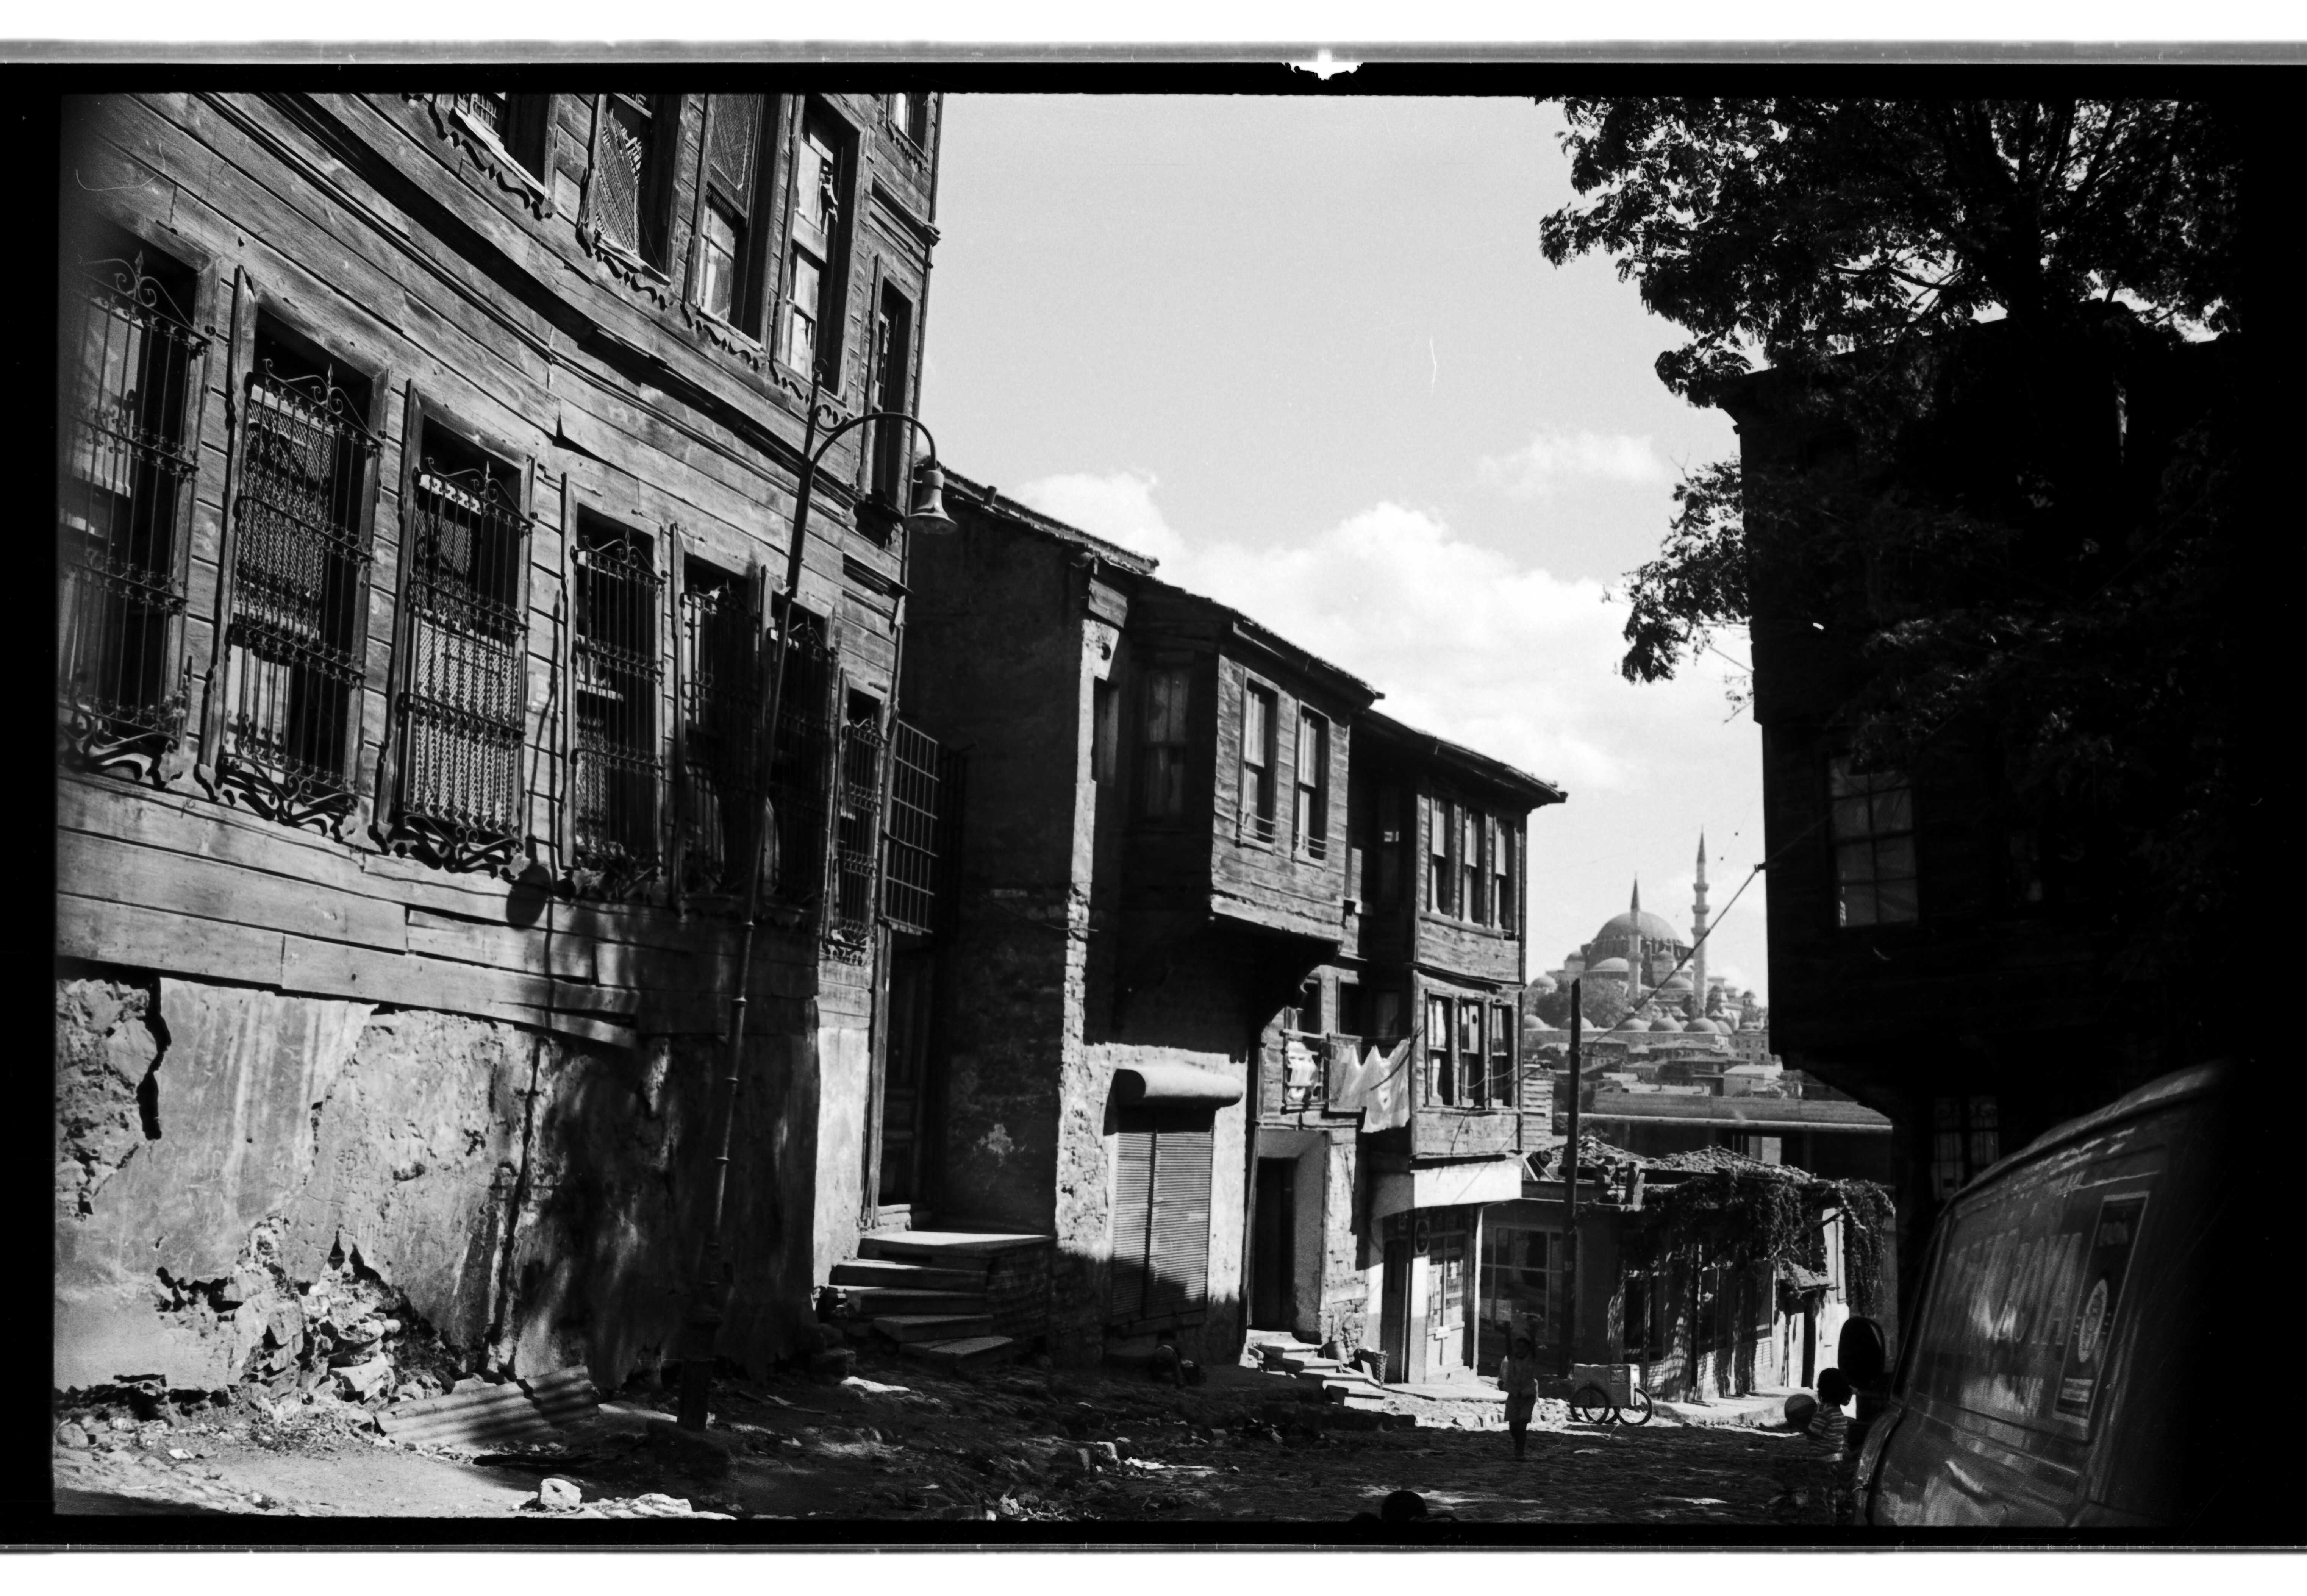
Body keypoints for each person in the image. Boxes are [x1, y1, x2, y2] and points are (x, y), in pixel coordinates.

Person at [1498, 1334, 1542, 1460]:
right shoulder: (1512, 1358)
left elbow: (1534, 1349)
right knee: (1513, 1427)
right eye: (1518, 1348)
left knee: (1522, 1424)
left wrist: (1533, 1333)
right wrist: (1507, 1333)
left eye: (1524, 1348)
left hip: (1528, 1396)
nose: (1520, 1351)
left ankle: (1520, 1451)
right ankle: (1519, 1444)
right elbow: (1508, 1348)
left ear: (1528, 1350)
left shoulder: (1531, 1359)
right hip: (1514, 1396)